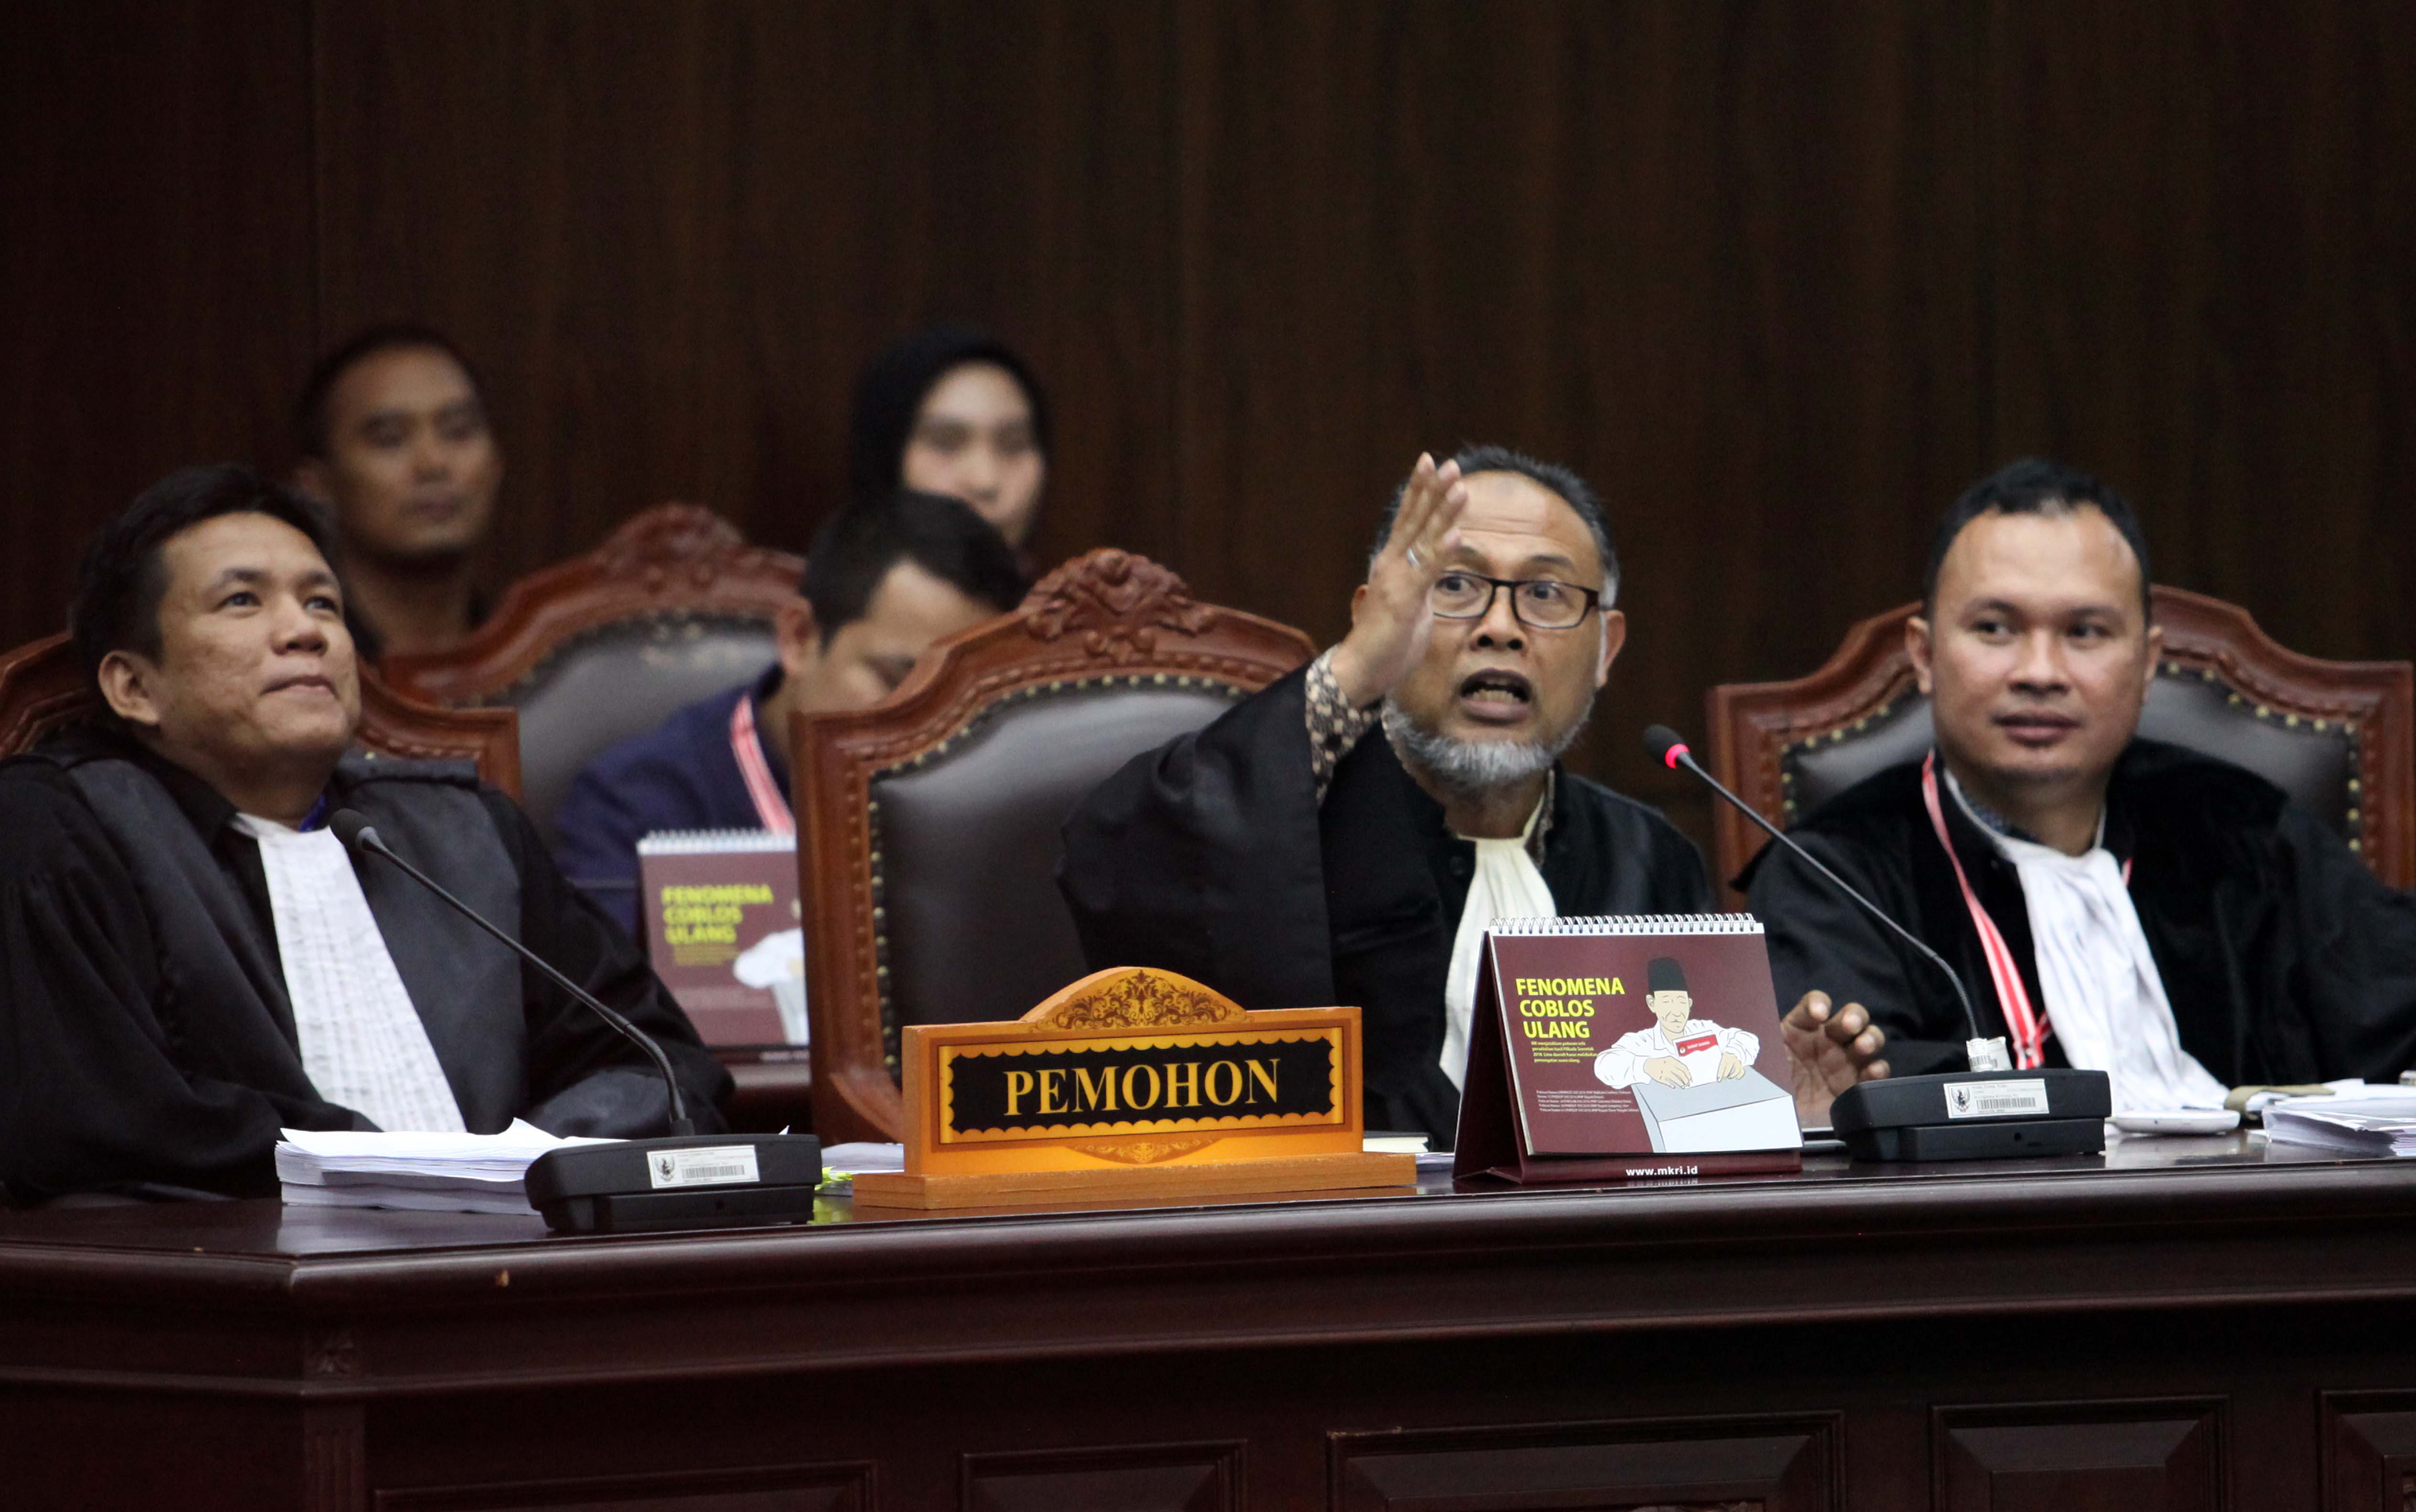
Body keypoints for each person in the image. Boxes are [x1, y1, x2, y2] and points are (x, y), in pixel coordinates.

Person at [1060, 446, 1888, 1146]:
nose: (1500, 626)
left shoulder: (1647, 857)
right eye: (1454, 586)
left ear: (1606, 649)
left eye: (1546, 594)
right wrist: (1353, 671)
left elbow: (1667, 1146)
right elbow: (1118, 859)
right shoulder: (1283, 828)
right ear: (1377, 618)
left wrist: (1777, 1115)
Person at [1742, 457, 2416, 1101]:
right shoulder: (1833, 873)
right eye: (1996, 628)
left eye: (2086, 632)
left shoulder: (2240, 832)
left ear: (2147, 662)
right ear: (1926, 655)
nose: (2039, 670)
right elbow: (1863, 1101)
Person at [0, 466, 727, 1202]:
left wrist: (530, 1166)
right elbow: (96, 1122)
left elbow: (659, 1064)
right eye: (242, 600)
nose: (304, 631)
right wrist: (391, 1169)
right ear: (134, 686)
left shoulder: (463, 835)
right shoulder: (61, 832)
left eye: (323, 602)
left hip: (516, 1266)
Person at [554, 488, 1032, 936]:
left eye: (961, 698)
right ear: (800, 638)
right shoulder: (633, 805)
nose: (931, 724)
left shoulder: (997, 806)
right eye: (897, 679)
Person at [290, 323, 505, 658]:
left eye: (459, 432)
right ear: (318, 486)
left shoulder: (540, 660)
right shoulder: (297, 661)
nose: (434, 464)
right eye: (391, 439)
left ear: (496, 463)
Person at [849, 327, 1051, 549]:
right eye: (945, 443)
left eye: (1014, 445)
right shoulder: (820, 583)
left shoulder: (1078, 581)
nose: (985, 481)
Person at [1593, 957, 1761, 1089]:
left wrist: (1734, 1054)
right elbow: (1603, 1065)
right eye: (1667, 1002)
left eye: (1681, 1002)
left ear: (1689, 1004)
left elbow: (1748, 1039)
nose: (1676, 1012)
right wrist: (1647, 1066)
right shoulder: (1642, 1042)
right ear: (1652, 1004)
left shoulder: (1704, 1029)